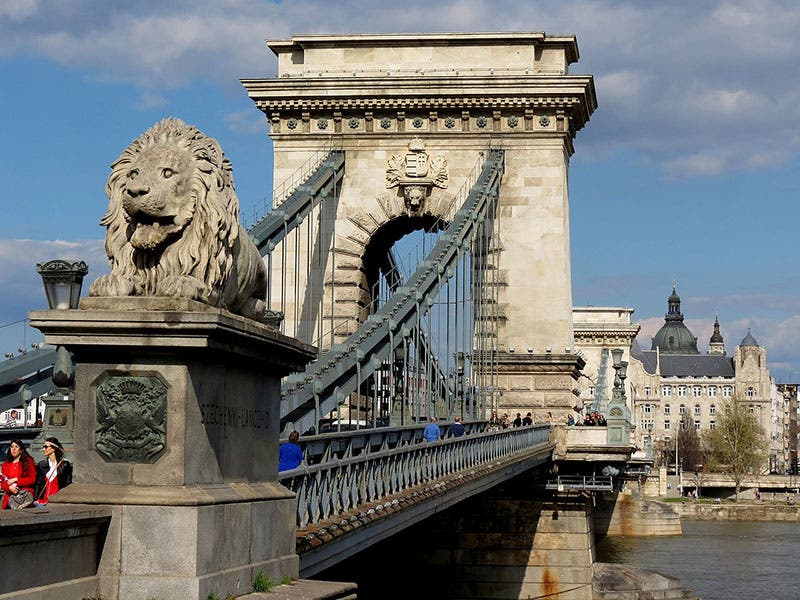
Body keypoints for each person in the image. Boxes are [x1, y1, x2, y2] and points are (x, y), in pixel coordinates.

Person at [33, 437, 72, 506]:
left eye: (46, 447)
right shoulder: (41, 465)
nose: (43, 449)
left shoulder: (65, 465)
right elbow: (38, 484)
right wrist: (36, 499)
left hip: (57, 502)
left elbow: (67, 484)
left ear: (53, 448)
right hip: (42, 501)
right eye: (43, 447)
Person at [1, 439, 36, 509]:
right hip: (10, 498)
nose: (13, 449)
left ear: (21, 450)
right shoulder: (5, 464)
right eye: (12, 447)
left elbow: (32, 479)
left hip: (24, 496)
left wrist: (16, 480)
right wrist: (9, 488)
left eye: (16, 447)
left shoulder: (28, 461)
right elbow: (3, 483)